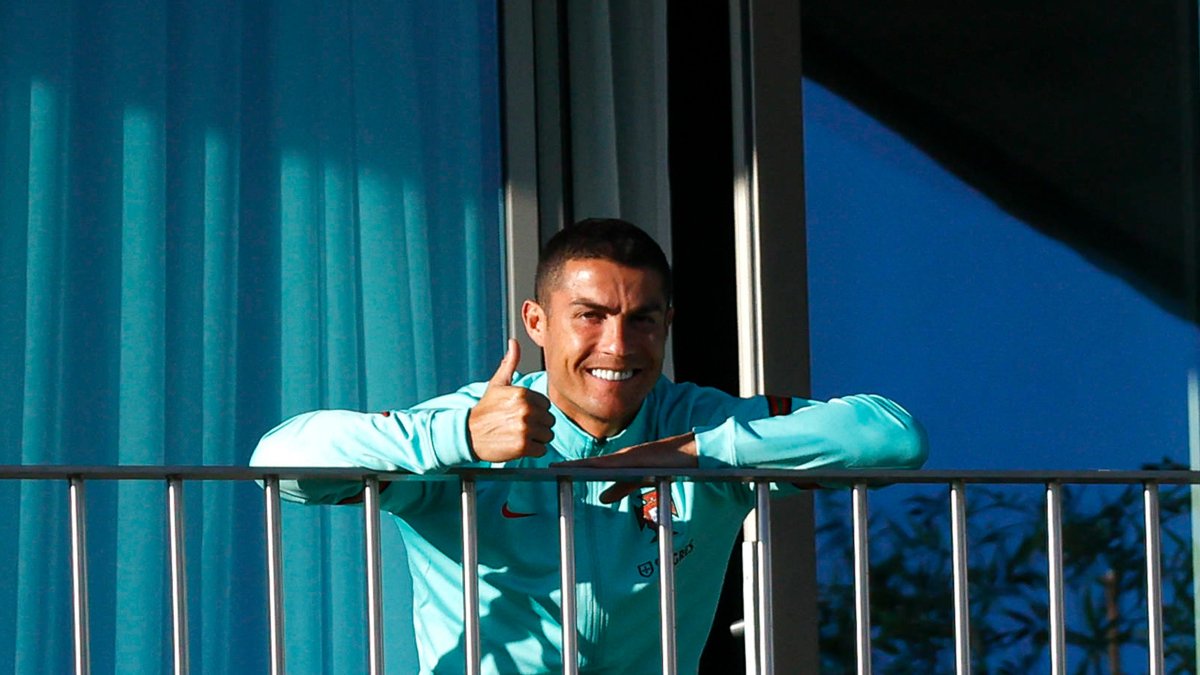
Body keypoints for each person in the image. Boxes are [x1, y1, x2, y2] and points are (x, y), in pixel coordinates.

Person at [251, 218, 928, 673]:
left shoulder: (698, 421)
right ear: (537, 322)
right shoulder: (475, 425)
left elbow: (893, 438)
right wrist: (455, 437)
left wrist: (695, 451)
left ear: (667, 325)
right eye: (591, 316)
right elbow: (276, 463)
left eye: (642, 319)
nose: (618, 345)